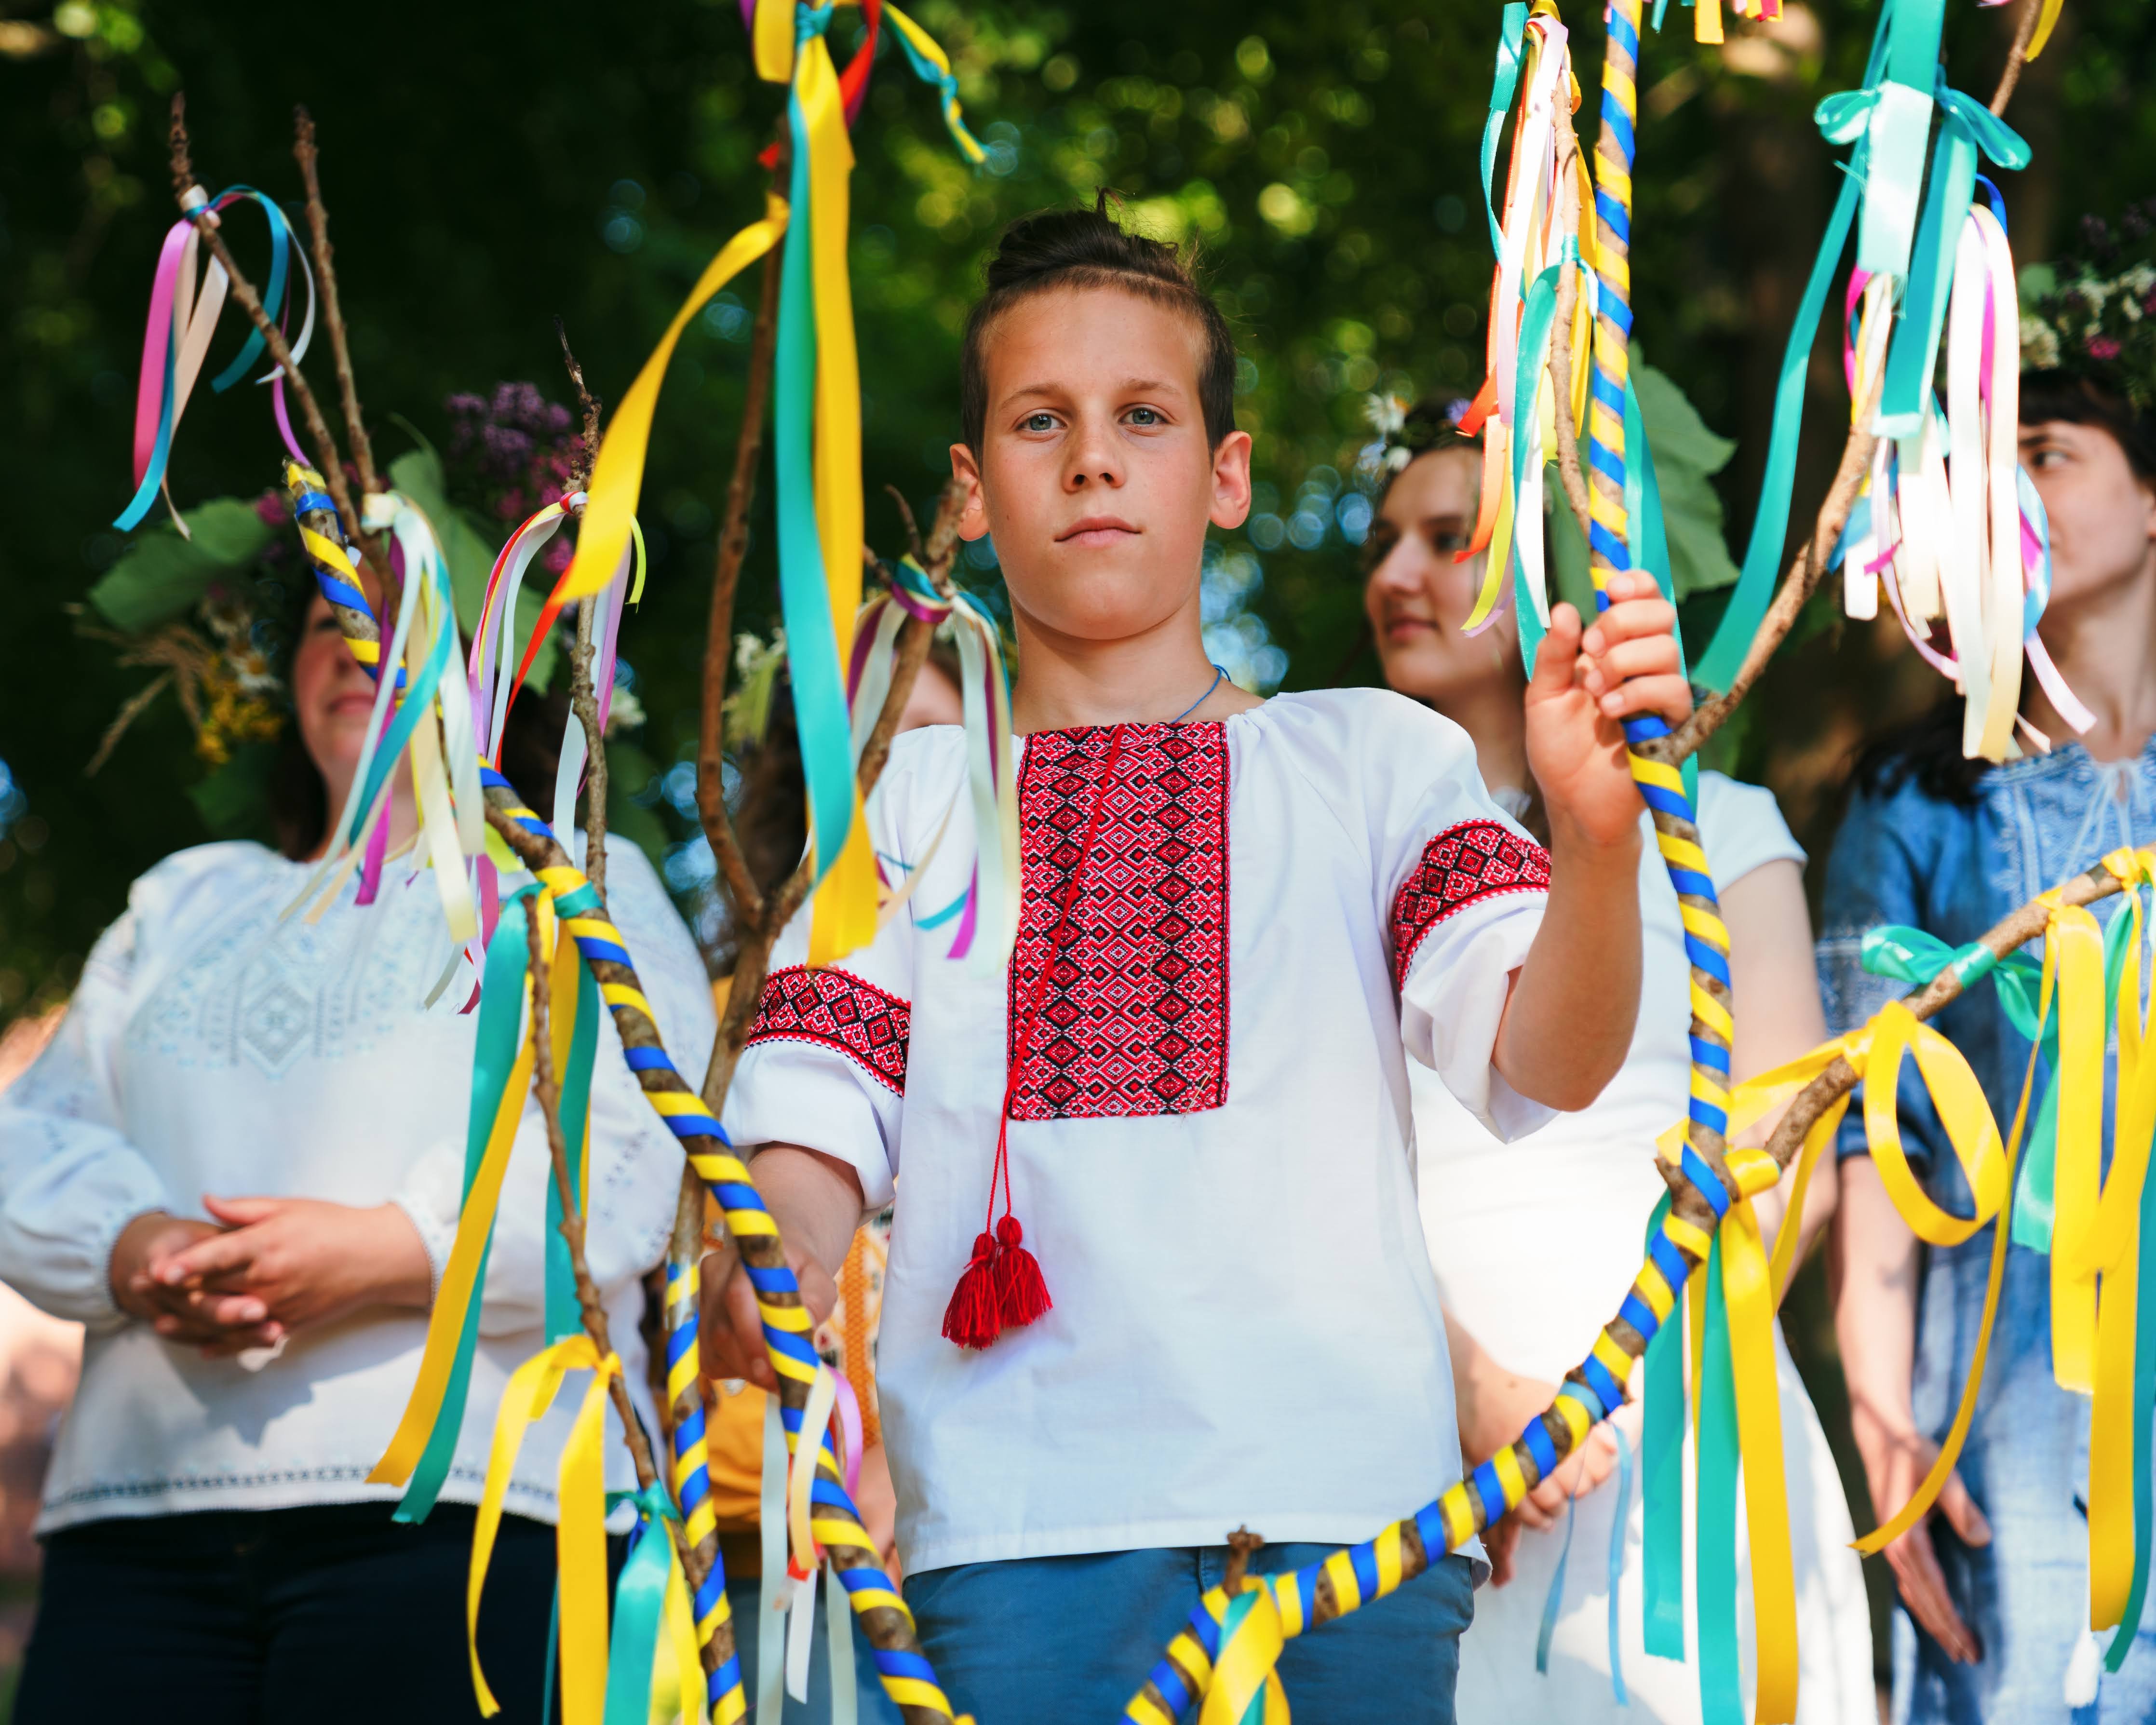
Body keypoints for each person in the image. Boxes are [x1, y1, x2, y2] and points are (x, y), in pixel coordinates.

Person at [699, 200, 1691, 1720]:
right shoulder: (899, 807)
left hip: (1346, 1530)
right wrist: (771, 1272)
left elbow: (1546, 1058)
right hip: (1020, 1538)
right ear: (971, 491)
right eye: (1041, 421)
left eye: (1143, 417)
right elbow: (813, 1132)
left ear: (1226, 476)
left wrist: (1598, 837)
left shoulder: (1374, 762)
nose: (1092, 459)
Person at [0, 587, 712, 1721]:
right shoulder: (182, 898)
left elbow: (631, 1143)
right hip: (137, 1529)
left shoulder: (576, 878)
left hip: (471, 1518)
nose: (351, 642)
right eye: (324, 619)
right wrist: (132, 1247)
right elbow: (35, 1134)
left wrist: (396, 1250)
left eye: (399, 609)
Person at [1359, 400, 1874, 1721]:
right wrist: (1467, 1393)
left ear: (1546, 567)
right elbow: (1316, 1167)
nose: (1395, 575)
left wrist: (1631, 1389)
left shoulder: (1724, 828)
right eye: (1381, 543)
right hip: (1420, 1442)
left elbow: (1788, 1152)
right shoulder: (1348, 846)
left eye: (1446, 537)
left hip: (1683, 1423)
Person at [1822, 227, 2156, 1721]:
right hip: (2008, 1398)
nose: (2008, 492)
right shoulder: (1914, 806)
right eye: (1985, 465)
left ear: (2154, 500)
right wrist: (1880, 1401)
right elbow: (1873, 1127)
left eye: (2049, 452)